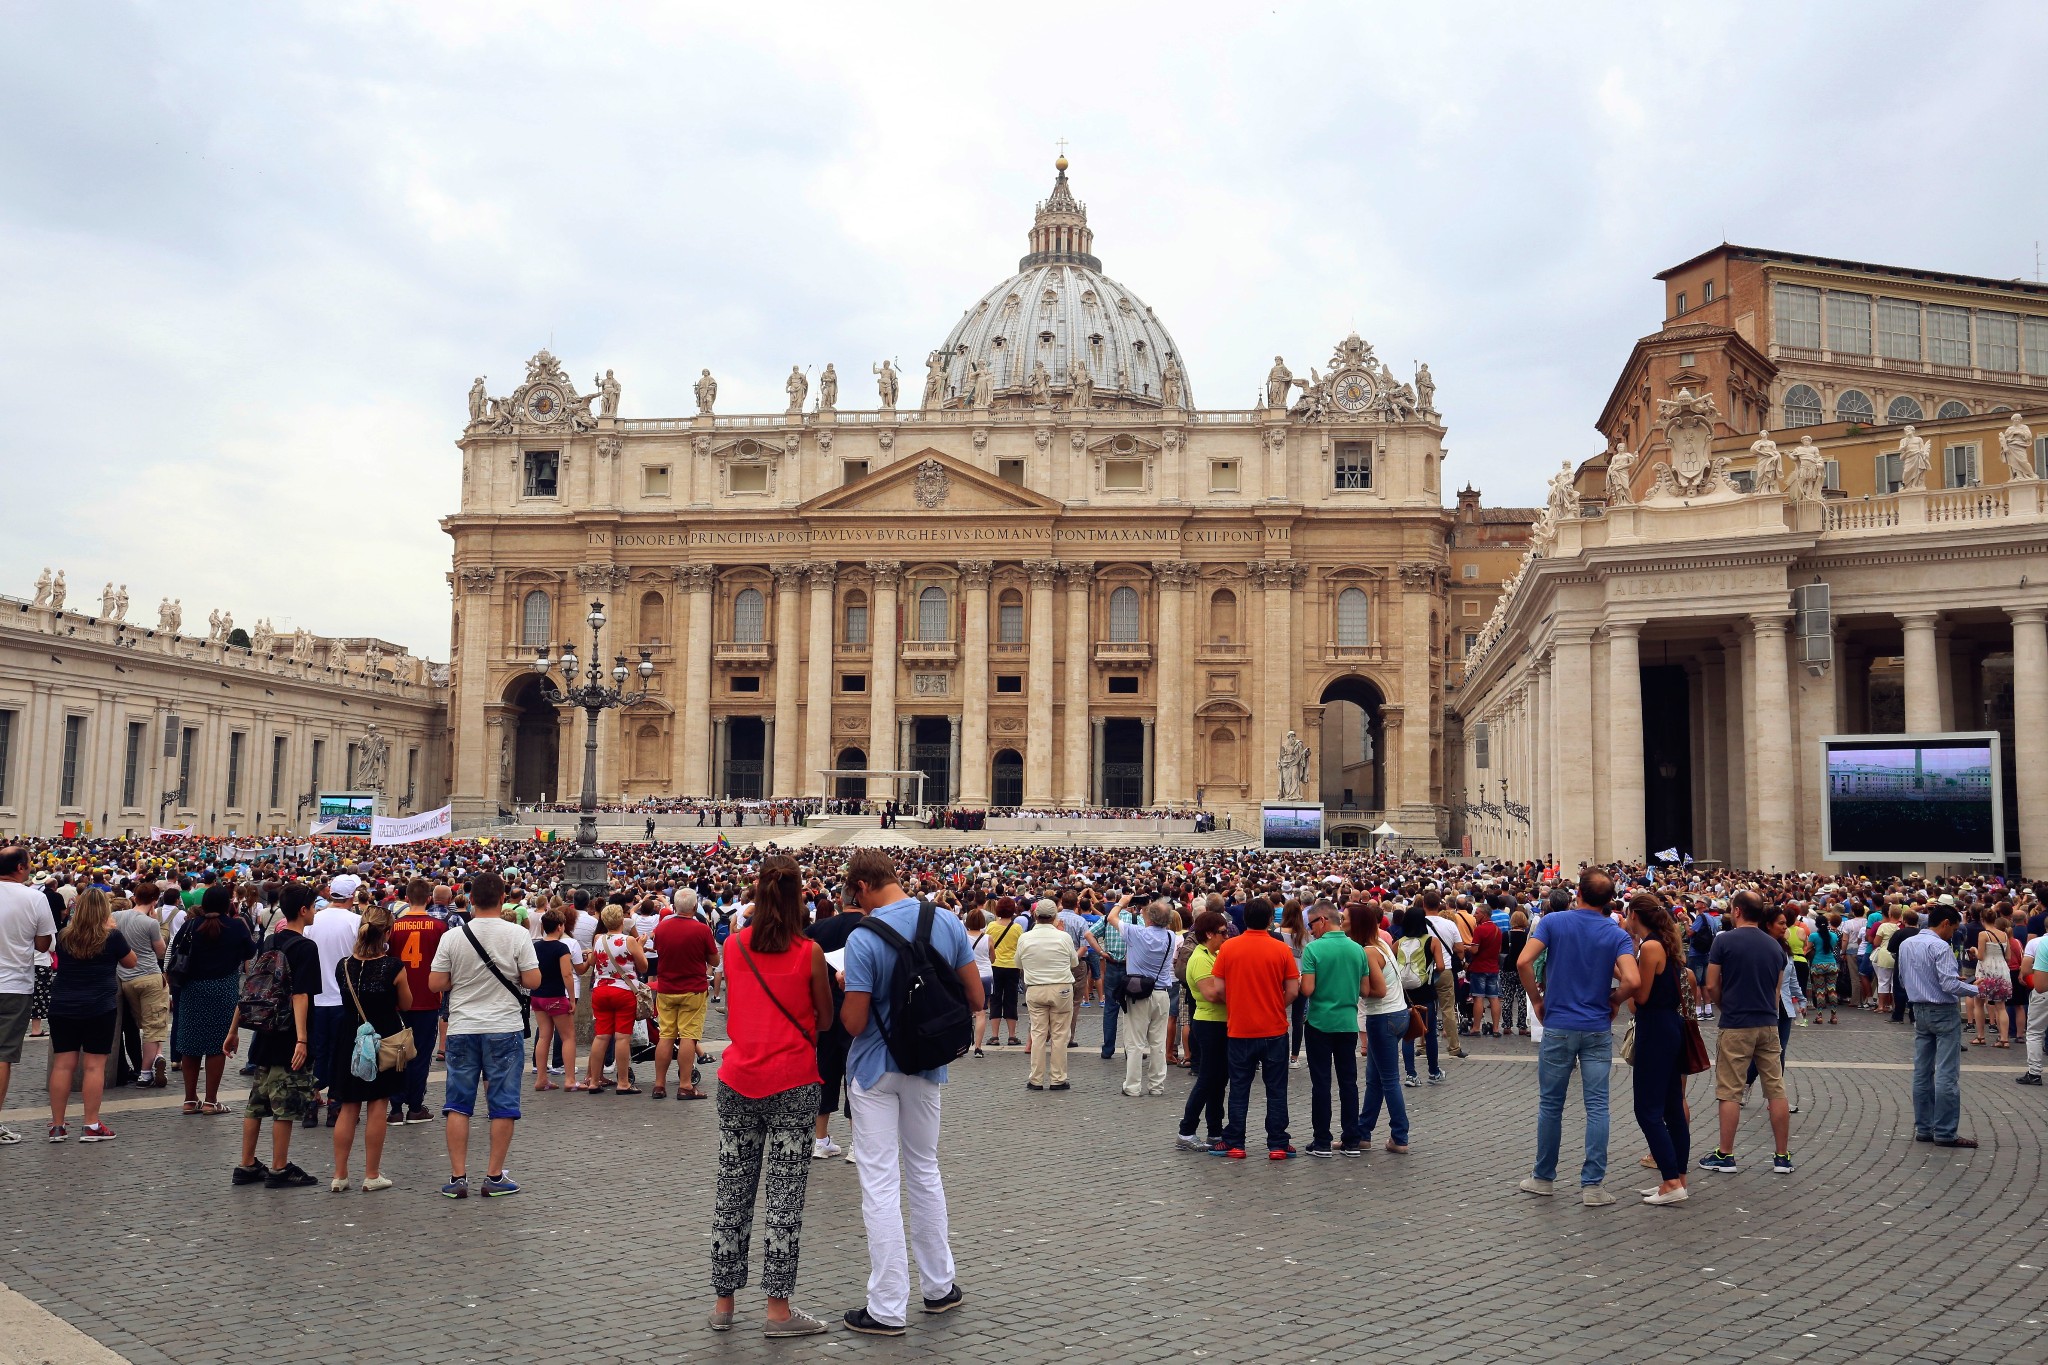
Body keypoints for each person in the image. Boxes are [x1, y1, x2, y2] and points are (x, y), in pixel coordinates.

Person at [837, 848, 981, 1336]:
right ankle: (940, 1287)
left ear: (860, 888)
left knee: (880, 1183)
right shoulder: (945, 920)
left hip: (876, 1069)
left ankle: (887, 1307)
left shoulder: (863, 937)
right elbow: (976, 998)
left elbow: (855, 1023)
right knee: (925, 1170)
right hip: (927, 1065)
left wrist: (844, 986)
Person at [709, 854, 832, 1338]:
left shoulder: (734, 947)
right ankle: (778, 1312)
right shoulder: (810, 953)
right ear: (799, 895)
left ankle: (723, 1304)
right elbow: (823, 1020)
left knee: (731, 1194)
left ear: (757, 894)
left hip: (738, 1080)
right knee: (784, 1201)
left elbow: (736, 1005)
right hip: (794, 1082)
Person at [1517, 869, 1639, 1205]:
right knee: (1598, 1106)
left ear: (1578, 894)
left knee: (1551, 1104)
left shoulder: (1554, 923)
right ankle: (1593, 1186)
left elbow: (1524, 961)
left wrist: (1539, 1000)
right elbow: (1632, 979)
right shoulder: (1615, 933)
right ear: (1608, 900)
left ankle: (1543, 1178)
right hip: (1597, 1026)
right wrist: (1614, 1000)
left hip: (1559, 1023)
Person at [428, 870, 541, 1198]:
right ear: (503, 898)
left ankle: (457, 1177)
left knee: (458, 1104)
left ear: (471, 900)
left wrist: (460, 979)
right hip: (504, 1027)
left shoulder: (452, 937)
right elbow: (533, 981)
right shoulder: (517, 934)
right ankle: (493, 1175)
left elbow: (436, 984)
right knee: (503, 1103)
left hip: (462, 1026)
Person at [1698, 890, 1795, 1175]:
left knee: (1730, 1090)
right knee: (1775, 1088)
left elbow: (1712, 983)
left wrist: (1723, 1004)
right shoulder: (1775, 946)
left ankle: (1725, 1154)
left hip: (1737, 1022)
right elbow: (1777, 990)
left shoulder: (1724, 941)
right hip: (1768, 1022)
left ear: (1737, 911)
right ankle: (1782, 1156)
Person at [234, 883, 323, 1188]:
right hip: (288, 1033)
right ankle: (279, 1167)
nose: (316, 910)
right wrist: (302, 1038)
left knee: (256, 1103)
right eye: (313, 906)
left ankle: (246, 1164)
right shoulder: (306, 948)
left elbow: (251, 987)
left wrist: (234, 1030)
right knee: (284, 1105)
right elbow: (301, 995)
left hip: (264, 1030)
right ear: (303, 910)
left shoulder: (271, 940)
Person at [1205, 896, 1300, 1161]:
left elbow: (1219, 988)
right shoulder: (1281, 949)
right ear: (1271, 920)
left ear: (1244, 919)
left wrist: (1238, 1003)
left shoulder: (1229, 948)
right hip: (1274, 1029)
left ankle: (1235, 1142)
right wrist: (1274, 1004)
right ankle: (1278, 1143)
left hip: (1240, 1029)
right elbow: (1293, 990)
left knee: (1239, 1087)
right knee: (1276, 1089)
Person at [329, 903, 411, 1191]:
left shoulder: (344, 965)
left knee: (348, 1107)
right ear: (387, 932)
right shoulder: (392, 966)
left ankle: (339, 1175)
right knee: (378, 1105)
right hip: (383, 1037)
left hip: (349, 1037)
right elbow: (407, 1003)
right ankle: (371, 1174)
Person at [45, 888, 138, 1143]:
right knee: (94, 1066)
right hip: (99, 1006)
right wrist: (111, 928)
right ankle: (91, 1124)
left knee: (63, 1064)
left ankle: (57, 1125)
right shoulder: (112, 937)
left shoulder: (64, 936)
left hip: (63, 1005)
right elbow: (132, 962)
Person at [1624, 893, 1689, 1206]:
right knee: (1672, 1107)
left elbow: (1641, 999)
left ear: (1636, 914)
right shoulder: (1666, 942)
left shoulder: (1649, 946)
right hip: (1671, 1026)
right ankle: (1678, 1177)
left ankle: (1670, 1180)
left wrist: (1625, 987)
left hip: (1656, 1028)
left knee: (1647, 1110)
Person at [1897, 904, 1979, 1148]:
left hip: (1918, 1010)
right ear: (1945, 923)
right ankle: (1944, 1131)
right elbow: (1949, 985)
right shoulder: (1940, 946)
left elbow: (1903, 979)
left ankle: (1924, 1128)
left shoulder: (1906, 944)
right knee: (1946, 1073)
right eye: (1953, 929)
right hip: (1943, 1011)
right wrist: (1977, 989)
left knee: (1922, 1071)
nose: (1952, 934)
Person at [1297, 899, 1367, 1155]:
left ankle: (1323, 1141)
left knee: (1322, 1083)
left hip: (1320, 1022)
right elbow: (1367, 989)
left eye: (1311, 924)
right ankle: (1351, 1139)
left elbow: (1308, 990)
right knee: (1349, 1083)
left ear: (1323, 920)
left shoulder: (1314, 950)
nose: (1310, 930)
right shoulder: (1358, 949)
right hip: (1347, 1022)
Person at [0, 846, 56, 1145]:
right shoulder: (35, 898)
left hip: (13, 983)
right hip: (14, 984)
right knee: (2, 1055)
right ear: (20, 868)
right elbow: (44, 944)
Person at [806, 888, 865, 1159]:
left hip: (826, 1008)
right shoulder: (871, 926)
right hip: (860, 1007)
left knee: (826, 1070)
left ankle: (821, 1139)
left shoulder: (820, 929)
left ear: (841, 900)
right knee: (856, 1075)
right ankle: (857, 1143)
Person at [386, 878, 447, 1123]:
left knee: (397, 1052)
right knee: (420, 1054)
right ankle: (415, 1105)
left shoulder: (394, 926)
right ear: (429, 899)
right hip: (427, 997)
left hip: (398, 999)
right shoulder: (439, 927)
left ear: (407, 899)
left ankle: (396, 1107)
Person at [305, 876, 364, 1129]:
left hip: (315, 998)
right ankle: (335, 1104)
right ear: (352, 897)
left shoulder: (312, 920)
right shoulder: (356, 921)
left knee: (315, 1052)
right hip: (344, 999)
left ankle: (310, 1102)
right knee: (342, 1054)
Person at [1353, 902, 1409, 1154]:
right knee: (1375, 1079)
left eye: (1345, 920)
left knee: (1388, 1080)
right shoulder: (1382, 943)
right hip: (1398, 1013)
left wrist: (1356, 990)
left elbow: (1377, 991)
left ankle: (1400, 1136)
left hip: (1382, 1016)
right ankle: (1362, 1133)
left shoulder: (1367, 951)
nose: (1342, 923)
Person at [1175, 910, 1232, 1151]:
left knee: (1219, 1080)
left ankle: (1215, 1131)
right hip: (1209, 1023)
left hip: (1219, 1022)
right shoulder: (1200, 958)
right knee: (1208, 1078)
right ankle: (1186, 1130)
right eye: (1222, 932)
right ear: (1209, 933)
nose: (1226, 936)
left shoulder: (1213, 953)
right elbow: (1212, 994)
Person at [652, 891, 718, 1100]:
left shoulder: (662, 928)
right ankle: (685, 1085)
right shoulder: (701, 929)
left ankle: (659, 1084)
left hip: (667, 988)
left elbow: (659, 950)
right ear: (693, 908)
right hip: (692, 988)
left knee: (666, 1035)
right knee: (689, 1035)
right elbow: (715, 961)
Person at [1016, 899, 1079, 1090]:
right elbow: (1074, 962)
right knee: (1060, 1035)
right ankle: (1058, 1078)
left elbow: (1018, 964)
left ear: (1035, 916)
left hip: (1035, 988)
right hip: (1060, 987)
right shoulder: (1063, 937)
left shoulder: (1025, 938)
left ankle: (1036, 1078)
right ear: (1054, 917)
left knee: (1038, 1033)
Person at [1118, 902, 1179, 1098]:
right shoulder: (1171, 936)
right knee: (1158, 1042)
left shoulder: (1137, 933)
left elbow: (1111, 918)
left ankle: (1133, 1086)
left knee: (1135, 1042)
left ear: (1149, 917)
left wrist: (1122, 902)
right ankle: (1156, 1085)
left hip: (1139, 993)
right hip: (1162, 993)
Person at [112, 883, 170, 1088]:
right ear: (155, 900)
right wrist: (159, 925)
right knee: (154, 1026)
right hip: (150, 976)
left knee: (145, 1024)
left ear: (135, 897)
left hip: (126, 979)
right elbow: (161, 951)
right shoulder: (150, 923)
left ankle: (157, 1056)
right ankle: (145, 1074)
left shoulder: (117, 917)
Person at [584, 904, 646, 1094]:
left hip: (601, 990)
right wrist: (640, 946)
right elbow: (643, 967)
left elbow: (593, 962)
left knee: (601, 1036)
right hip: (623, 991)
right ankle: (623, 1082)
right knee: (622, 1037)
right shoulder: (629, 940)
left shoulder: (598, 939)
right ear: (621, 921)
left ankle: (594, 1080)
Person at [1395, 907, 1449, 1085]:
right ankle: (1433, 1072)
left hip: (1405, 994)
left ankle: (1411, 1074)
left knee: (1408, 1034)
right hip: (1426, 991)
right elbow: (1441, 966)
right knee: (1430, 1033)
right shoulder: (1431, 941)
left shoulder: (1398, 942)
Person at [530, 911, 577, 1091]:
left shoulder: (536, 947)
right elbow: (567, 974)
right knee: (568, 1037)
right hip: (556, 996)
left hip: (538, 995)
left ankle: (541, 1078)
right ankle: (570, 1079)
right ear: (560, 926)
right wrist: (571, 998)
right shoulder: (561, 948)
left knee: (543, 1036)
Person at [984, 898, 1023, 1046]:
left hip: (995, 965)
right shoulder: (1017, 928)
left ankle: (994, 1036)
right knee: (1011, 999)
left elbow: (987, 944)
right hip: (1012, 966)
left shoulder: (992, 926)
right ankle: (1012, 1036)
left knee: (995, 999)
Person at [1971, 913, 2012, 1047]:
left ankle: (1981, 1036)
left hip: (1985, 971)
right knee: (2001, 1006)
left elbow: (1981, 956)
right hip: (2002, 970)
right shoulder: (2004, 934)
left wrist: (1974, 950)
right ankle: (2004, 1039)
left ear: (1982, 919)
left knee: (1978, 1002)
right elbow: (2008, 956)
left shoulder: (1983, 934)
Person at [1465, 904, 1504, 1037]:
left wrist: (1467, 948)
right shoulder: (1497, 930)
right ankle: (1496, 1028)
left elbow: (1475, 950)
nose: (1475, 915)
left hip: (1479, 967)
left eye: (1477, 913)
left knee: (1478, 998)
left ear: (1484, 915)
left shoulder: (1479, 930)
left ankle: (1476, 1027)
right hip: (1493, 967)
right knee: (1494, 998)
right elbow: (1498, 950)